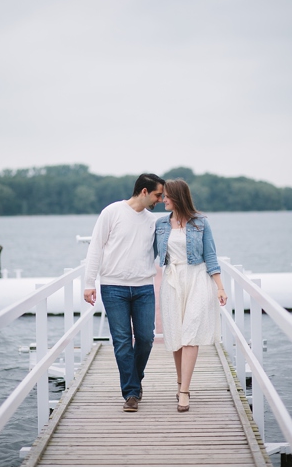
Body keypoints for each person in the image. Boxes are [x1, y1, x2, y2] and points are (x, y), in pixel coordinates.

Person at [84, 173, 165, 412]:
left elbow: (166, 249)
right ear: (143, 192)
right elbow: (96, 247)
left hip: (143, 287)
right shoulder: (112, 212)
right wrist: (89, 282)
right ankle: (131, 393)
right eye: (157, 194)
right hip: (113, 286)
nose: (160, 199)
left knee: (146, 338)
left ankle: (134, 380)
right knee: (121, 341)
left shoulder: (154, 221)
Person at [154, 179, 228, 413]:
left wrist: (220, 287)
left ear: (177, 196)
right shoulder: (161, 224)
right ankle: (180, 383)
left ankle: (184, 391)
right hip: (172, 280)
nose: (163, 200)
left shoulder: (200, 223)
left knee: (190, 334)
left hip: (197, 278)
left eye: (166, 196)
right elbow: (148, 254)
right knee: (176, 336)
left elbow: (211, 255)